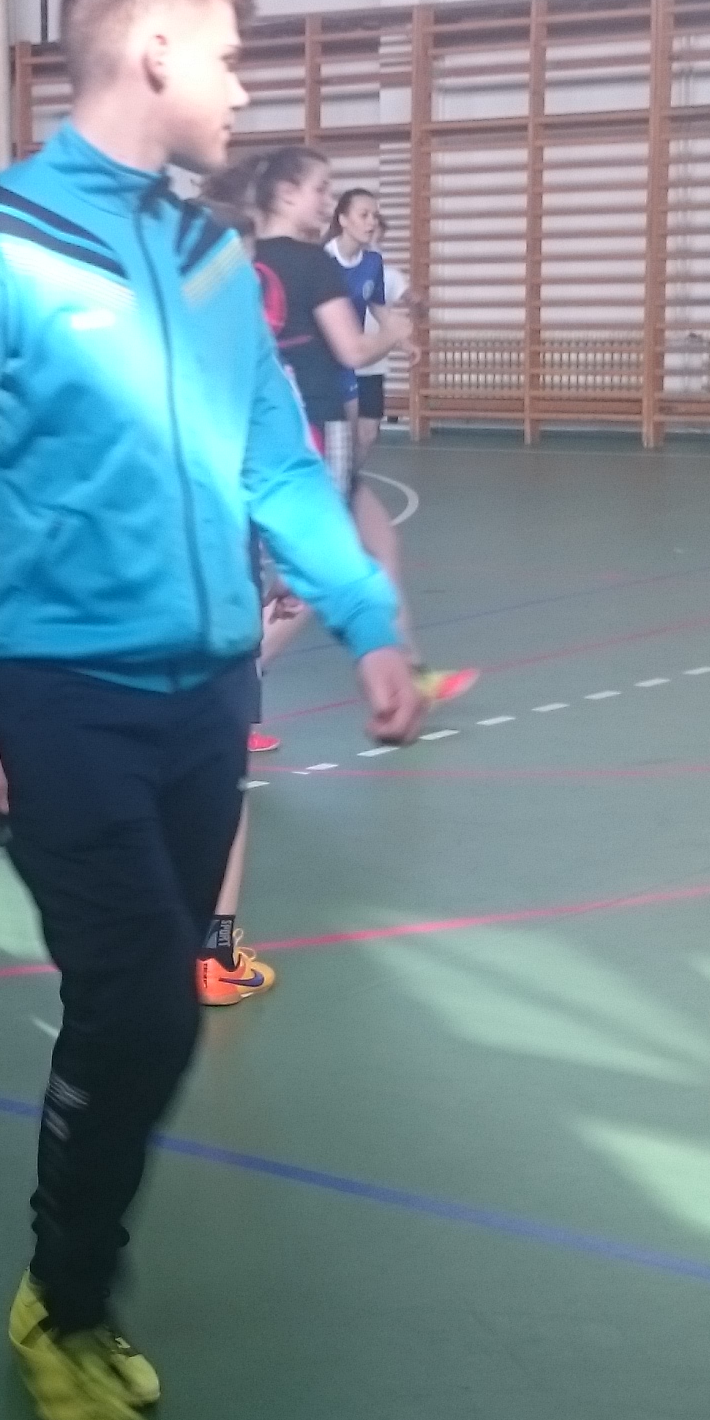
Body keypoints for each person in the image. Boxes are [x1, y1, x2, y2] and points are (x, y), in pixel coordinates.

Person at [0, 0, 423, 1420]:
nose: (244, 91)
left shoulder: (207, 258)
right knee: (144, 1009)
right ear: (155, 52)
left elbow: (271, 463)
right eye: (231, 60)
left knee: (145, 1002)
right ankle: (66, 1315)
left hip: (205, 692)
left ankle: (68, 1285)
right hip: (51, 700)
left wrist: (369, 624)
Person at [194, 151, 471, 1008]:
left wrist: (365, 628)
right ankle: (209, 950)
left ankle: (199, 947)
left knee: (359, 544)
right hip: (200, 583)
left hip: (207, 572)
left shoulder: (217, 346)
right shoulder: (279, 301)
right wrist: (394, 333)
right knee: (206, 771)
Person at [326, 186, 406, 461]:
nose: (372, 222)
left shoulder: (373, 262)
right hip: (319, 364)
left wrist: (403, 338)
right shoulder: (322, 260)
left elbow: (379, 308)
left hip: (347, 367)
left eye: (375, 216)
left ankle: (347, 485)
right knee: (323, 443)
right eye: (364, 215)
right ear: (343, 220)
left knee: (353, 442)